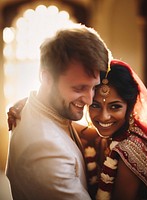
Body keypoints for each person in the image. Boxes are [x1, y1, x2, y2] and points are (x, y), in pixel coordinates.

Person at [7, 59, 147, 200]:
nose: (104, 117)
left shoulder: (130, 152)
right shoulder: (112, 134)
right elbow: (68, 123)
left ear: (130, 105)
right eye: (95, 105)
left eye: (115, 107)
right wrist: (27, 105)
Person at [6, 24, 110, 200]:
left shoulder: (34, 106)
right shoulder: (46, 150)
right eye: (79, 88)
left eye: (94, 87)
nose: (89, 99)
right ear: (46, 78)